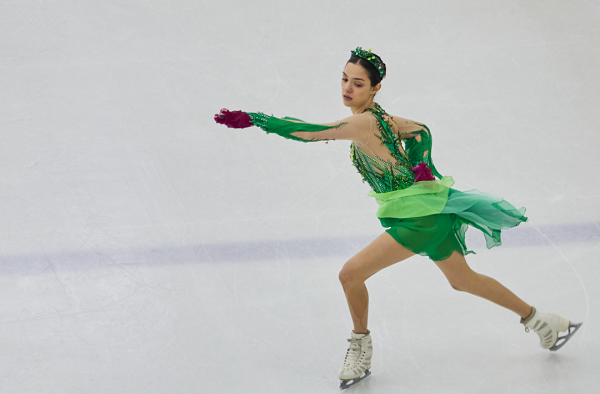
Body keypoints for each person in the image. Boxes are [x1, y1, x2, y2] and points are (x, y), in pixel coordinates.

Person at [214, 47, 582, 389]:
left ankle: (361, 348)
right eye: (344, 79)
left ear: (374, 88)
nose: (347, 88)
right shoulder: (382, 118)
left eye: (357, 83)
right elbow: (420, 130)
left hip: (418, 218)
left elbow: (312, 133)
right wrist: (421, 161)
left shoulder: (364, 124)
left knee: (350, 273)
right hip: (429, 211)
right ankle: (543, 321)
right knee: (462, 280)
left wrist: (257, 119)